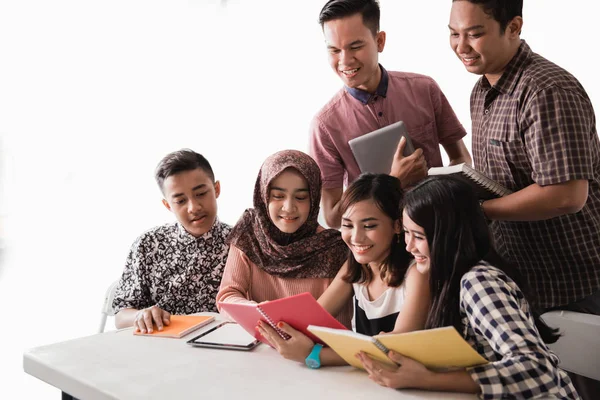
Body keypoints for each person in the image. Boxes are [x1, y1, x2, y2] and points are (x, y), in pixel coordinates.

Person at [356, 176, 580, 399]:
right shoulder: (445, 277)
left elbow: (539, 370)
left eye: (418, 236)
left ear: (449, 236)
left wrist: (426, 379)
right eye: (406, 233)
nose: (409, 246)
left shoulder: (478, 282)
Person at [448, 0, 600, 312]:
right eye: (454, 34)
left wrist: (481, 210)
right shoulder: (481, 91)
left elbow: (566, 195)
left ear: (514, 28)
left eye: (474, 34)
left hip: (578, 282)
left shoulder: (547, 89)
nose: (461, 46)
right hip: (522, 278)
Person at [310, 0, 472, 228]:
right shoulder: (325, 125)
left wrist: (442, 194)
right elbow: (332, 216)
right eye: (335, 50)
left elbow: (461, 158)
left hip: (442, 229)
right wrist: (393, 182)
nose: (344, 60)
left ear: (379, 41)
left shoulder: (425, 89)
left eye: (355, 47)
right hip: (380, 251)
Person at [257, 173, 430, 368]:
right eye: (347, 225)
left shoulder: (415, 274)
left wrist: (314, 355)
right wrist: (273, 320)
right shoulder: (355, 267)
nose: (356, 237)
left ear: (397, 225)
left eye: (369, 226)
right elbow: (314, 320)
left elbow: (397, 347)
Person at [216, 150, 353, 326]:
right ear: (263, 195)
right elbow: (228, 297)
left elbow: (337, 325)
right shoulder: (249, 232)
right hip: (260, 346)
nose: (289, 208)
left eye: (301, 197)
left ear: (314, 198)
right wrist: (259, 311)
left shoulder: (334, 247)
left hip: (315, 350)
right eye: (278, 196)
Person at [112, 149, 231, 333]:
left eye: (200, 194)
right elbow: (121, 314)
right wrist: (140, 315)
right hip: (158, 348)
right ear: (168, 205)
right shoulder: (148, 244)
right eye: (180, 201)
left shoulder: (240, 244)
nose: (194, 207)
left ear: (216, 189)